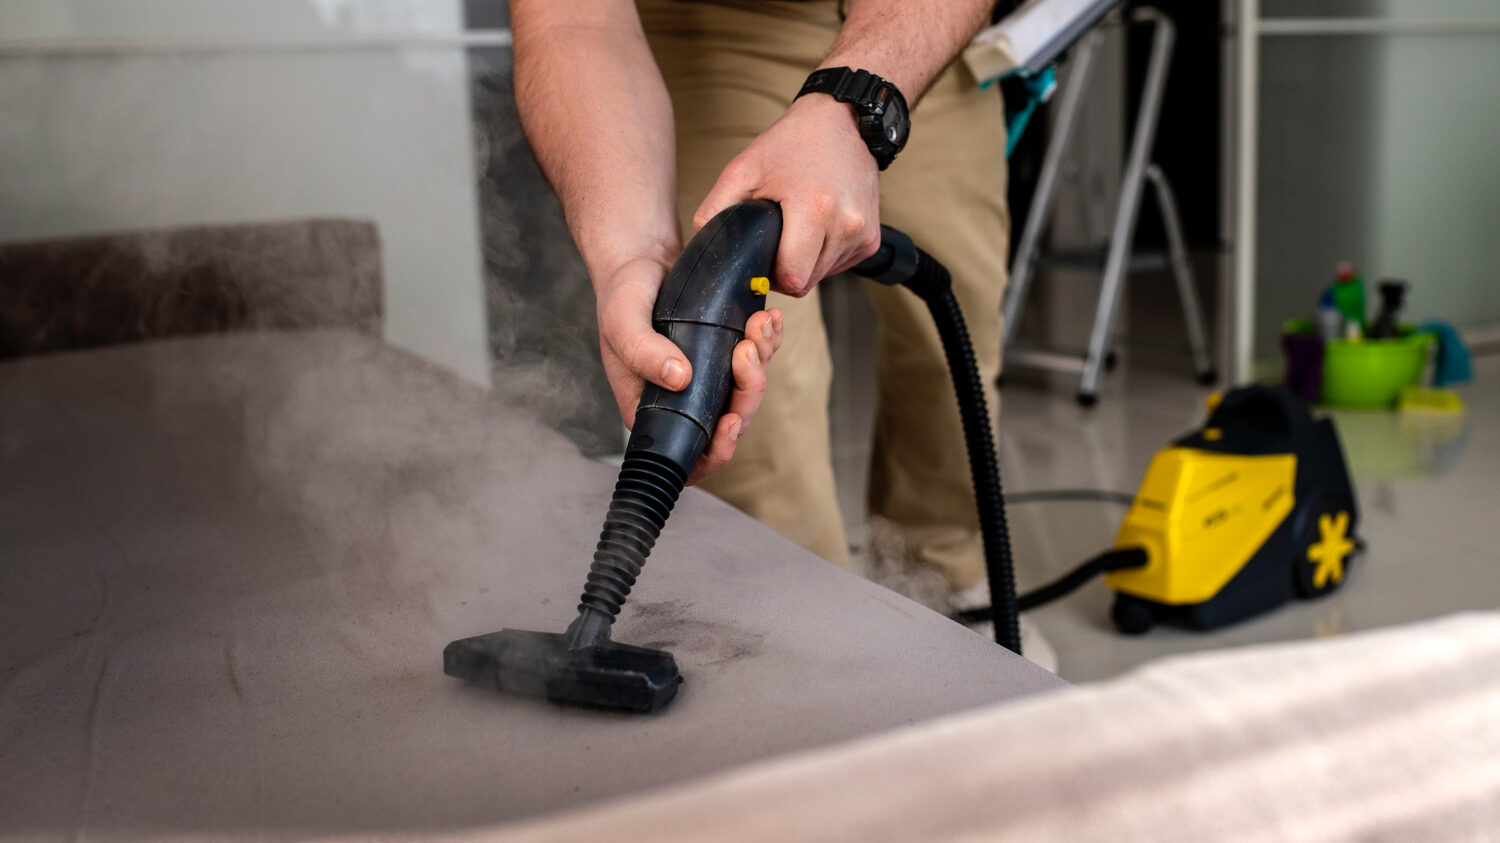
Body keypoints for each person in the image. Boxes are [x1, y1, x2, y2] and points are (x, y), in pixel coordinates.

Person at [511, 0, 1011, 615]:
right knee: (760, 425)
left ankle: (947, 596)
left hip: (922, 24)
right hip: (712, 28)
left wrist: (853, 100)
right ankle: (809, 636)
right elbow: (573, 21)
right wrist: (632, 257)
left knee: (952, 352)